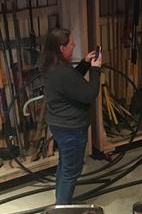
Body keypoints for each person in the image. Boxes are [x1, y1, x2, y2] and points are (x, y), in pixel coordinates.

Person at [41, 28, 101, 204]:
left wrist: (85, 63)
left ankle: (60, 201)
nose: (74, 45)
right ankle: (62, 210)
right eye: (71, 43)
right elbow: (89, 93)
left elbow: (69, 84)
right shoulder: (63, 72)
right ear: (61, 48)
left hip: (59, 125)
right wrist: (96, 69)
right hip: (71, 129)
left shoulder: (50, 66)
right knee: (71, 171)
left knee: (65, 165)